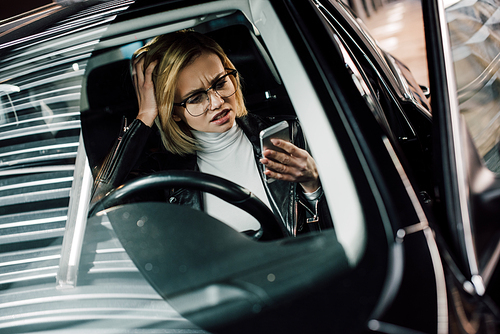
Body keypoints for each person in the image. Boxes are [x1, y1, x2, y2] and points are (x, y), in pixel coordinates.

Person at [90, 30, 333, 237]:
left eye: (219, 83)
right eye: (195, 98)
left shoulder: (294, 134)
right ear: (173, 112)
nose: (217, 102)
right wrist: (145, 115)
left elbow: (341, 233)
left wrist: (312, 185)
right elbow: (98, 206)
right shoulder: (161, 178)